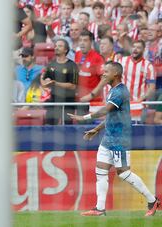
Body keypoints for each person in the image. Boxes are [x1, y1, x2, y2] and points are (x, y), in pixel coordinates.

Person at [68, 61, 160, 217]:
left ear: (116, 74)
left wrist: (84, 117)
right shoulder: (112, 91)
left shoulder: (120, 92)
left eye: (106, 71)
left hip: (119, 140)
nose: (103, 74)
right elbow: (112, 116)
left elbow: (106, 110)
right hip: (107, 139)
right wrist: (96, 130)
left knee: (123, 173)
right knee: (100, 171)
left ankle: (152, 201)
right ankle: (100, 208)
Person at [42, 39, 78, 125]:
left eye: (60, 46)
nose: (56, 48)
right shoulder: (51, 64)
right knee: (49, 127)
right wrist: (45, 82)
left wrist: (55, 83)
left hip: (68, 101)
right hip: (54, 100)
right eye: (56, 46)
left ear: (66, 50)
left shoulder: (72, 65)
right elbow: (44, 80)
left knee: (68, 128)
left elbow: (73, 86)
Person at [75, 30, 105, 120]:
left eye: (85, 40)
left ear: (91, 42)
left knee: (91, 130)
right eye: (80, 40)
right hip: (80, 100)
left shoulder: (97, 58)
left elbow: (104, 80)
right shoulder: (77, 54)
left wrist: (92, 95)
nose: (82, 43)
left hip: (93, 103)